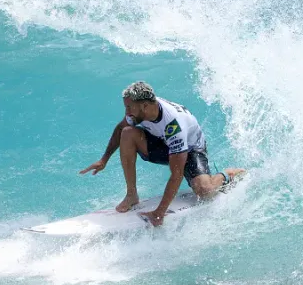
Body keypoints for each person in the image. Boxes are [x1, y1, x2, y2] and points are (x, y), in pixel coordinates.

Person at [80, 81, 245, 226]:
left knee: (205, 191)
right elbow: (120, 128)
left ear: (144, 106)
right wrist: (104, 159)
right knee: (128, 133)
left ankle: (228, 174)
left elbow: (177, 174)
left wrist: (159, 212)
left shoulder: (173, 124)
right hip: (161, 141)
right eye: (126, 107)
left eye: (129, 107)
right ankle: (131, 195)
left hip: (190, 148)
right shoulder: (137, 112)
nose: (127, 112)